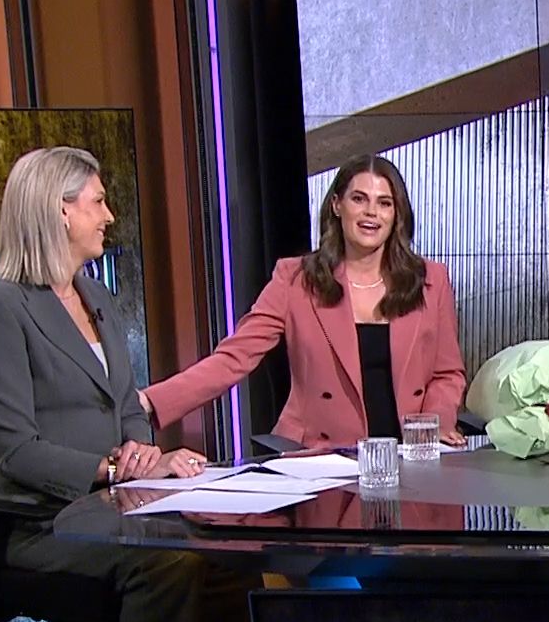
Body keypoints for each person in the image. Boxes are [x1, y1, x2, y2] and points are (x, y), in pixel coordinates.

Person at [0, 146, 259, 622]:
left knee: (237, 560)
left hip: (117, 505)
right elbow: (13, 450)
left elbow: (127, 409)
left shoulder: (97, 297)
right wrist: (109, 467)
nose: (108, 216)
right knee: (173, 564)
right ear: (58, 211)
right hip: (35, 522)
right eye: (97, 202)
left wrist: (153, 456)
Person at [139, 154, 468, 452]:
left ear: (396, 214)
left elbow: (447, 373)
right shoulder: (296, 279)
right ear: (337, 205)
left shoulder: (430, 280)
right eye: (359, 199)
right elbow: (233, 358)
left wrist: (434, 424)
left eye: (385, 203)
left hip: (409, 456)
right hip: (320, 457)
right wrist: (151, 401)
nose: (371, 212)